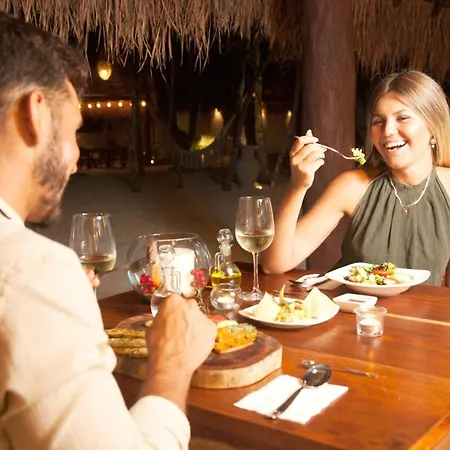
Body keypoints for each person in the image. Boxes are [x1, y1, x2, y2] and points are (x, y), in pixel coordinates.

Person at [0, 12, 216, 450]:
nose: (76, 156)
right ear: (35, 114)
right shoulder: (32, 272)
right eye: (75, 131)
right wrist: (171, 364)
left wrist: (55, 315)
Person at [263, 70, 450, 286]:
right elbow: (275, 264)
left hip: (419, 309)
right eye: (378, 121)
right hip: (348, 306)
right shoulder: (352, 187)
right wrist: (298, 185)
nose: (388, 131)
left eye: (402, 118)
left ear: (433, 126)